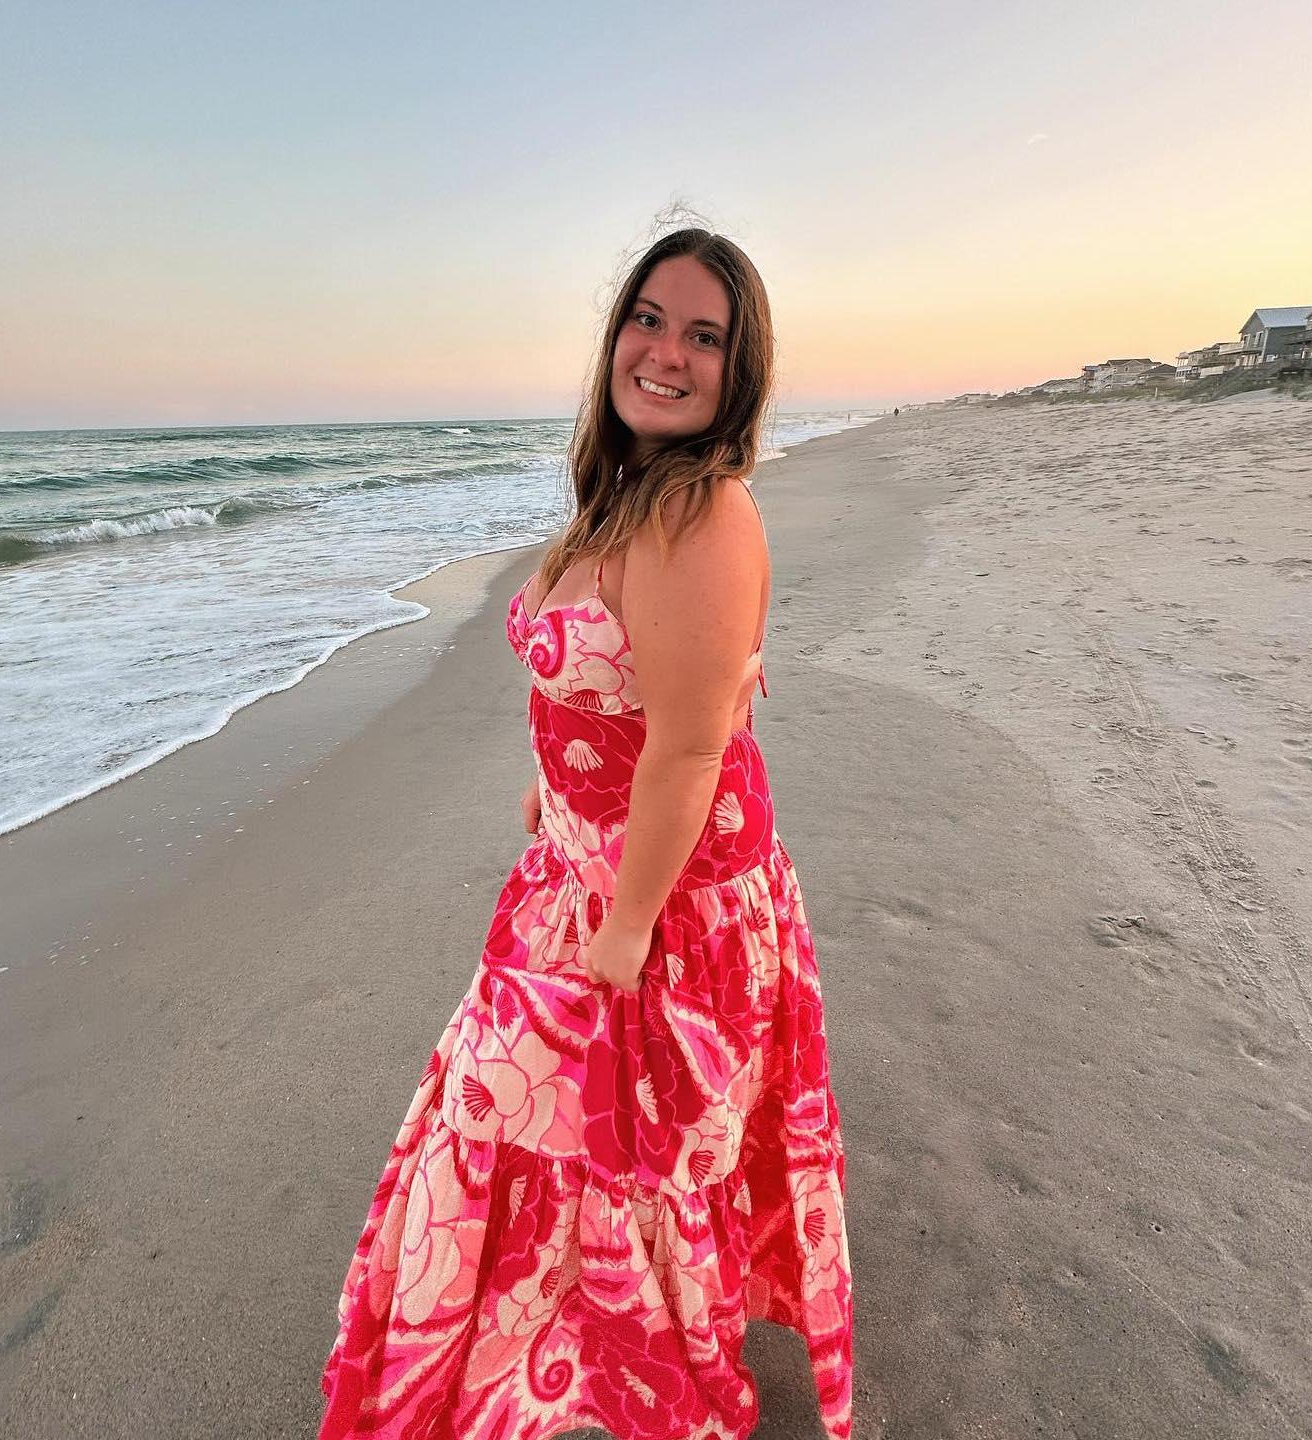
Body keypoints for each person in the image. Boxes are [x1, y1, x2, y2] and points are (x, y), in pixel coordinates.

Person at [318, 227, 853, 1440]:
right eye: (649, 319)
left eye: (704, 336)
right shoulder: (622, 496)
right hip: (578, 870)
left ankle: (619, 1373)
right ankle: (547, 1358)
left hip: (656, 909)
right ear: (617, 332)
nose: (666, 353)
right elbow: (621, 695)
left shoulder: (702, 515)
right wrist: (553, 787)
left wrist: (626, 930)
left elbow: (689, 752)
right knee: (533, 1136)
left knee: (600, 1154)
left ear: (738, 372)